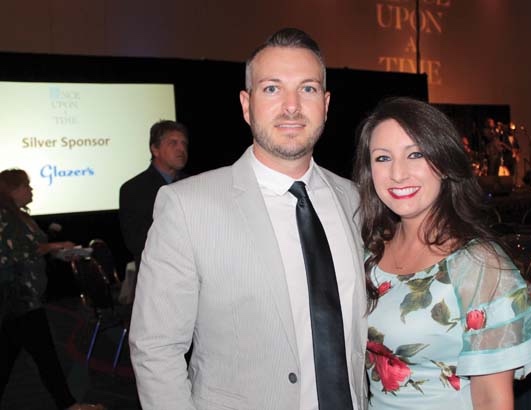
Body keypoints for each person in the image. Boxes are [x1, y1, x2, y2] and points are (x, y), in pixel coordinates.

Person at [128, 28, 368, 409]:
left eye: (307, 89)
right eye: (272, 88)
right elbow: (156, 348)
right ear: (246, 104)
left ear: (325, 104)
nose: (292, 106)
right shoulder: (187, 207)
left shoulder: (354, 200)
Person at [353, 97, 531, 409]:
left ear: (444, 163)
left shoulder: (478, 264)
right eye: (382, 158)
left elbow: (492, 400)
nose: (398, 173)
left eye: (415, 154)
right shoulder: (368, 254)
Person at [0, 169, 106, 410]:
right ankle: (68, 404)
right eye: (26, 185)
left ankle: (68, 404)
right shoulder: (5, 217)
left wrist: (60, 253)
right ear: (12, 190)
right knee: (44, 354)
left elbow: (32, 250)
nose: (30, 190)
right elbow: (14, 252)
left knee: (14, 355)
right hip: (19, 296)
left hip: (24, 297)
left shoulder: (19, 216)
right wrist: (54, 246)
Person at [119, 120, 189, 276]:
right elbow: (135, 242)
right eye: (173, 143)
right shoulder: (133, 189)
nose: (181, 149)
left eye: (184, 143)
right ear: (155, 149)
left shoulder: (194, 184)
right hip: (156, 277)